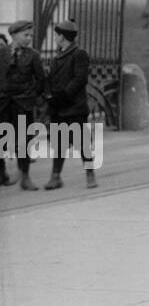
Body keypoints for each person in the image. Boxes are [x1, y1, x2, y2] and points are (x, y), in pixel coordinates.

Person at [44, 20, 95, 190]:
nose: (54, 38)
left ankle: (90, 174)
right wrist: (49, 96)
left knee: (82, 143)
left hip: (74, 107)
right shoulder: (57, 55)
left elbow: (80, 79)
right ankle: (56, 176)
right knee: (59, 144)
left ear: (62, 36)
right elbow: (51, 78)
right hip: (58, 108)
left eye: (56, 35)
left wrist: (63, 96)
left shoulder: (79, 54)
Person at [0, 20, 48, 190]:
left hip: (22, 104)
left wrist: (30, 95)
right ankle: (2, 173)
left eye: (31, 36)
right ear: (13, 35)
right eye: (25, 35)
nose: (29, 39)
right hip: (3, 103)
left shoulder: (33, 55)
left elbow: (41, 80)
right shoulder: (2, 52)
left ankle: (25, 177)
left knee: (23, 141)